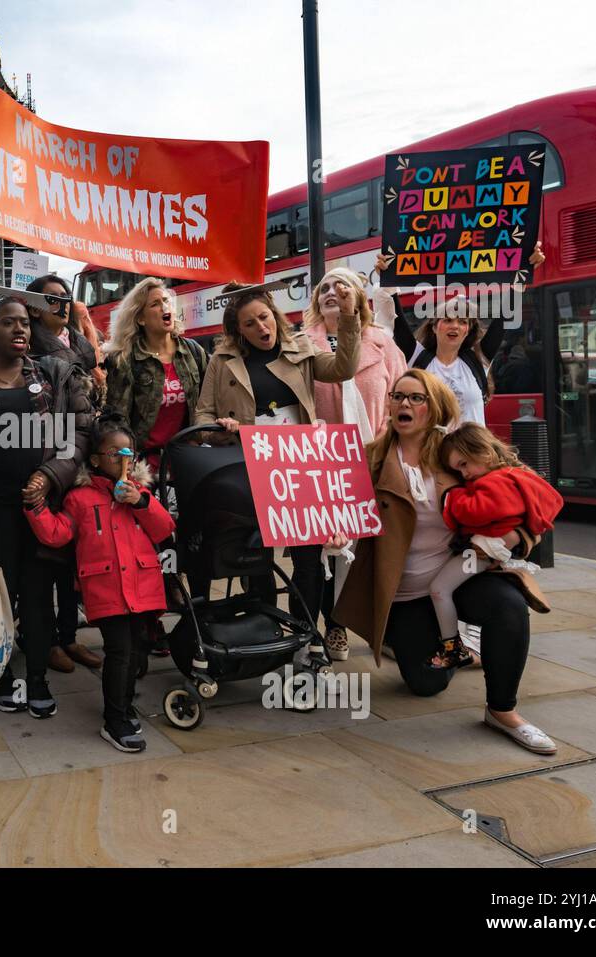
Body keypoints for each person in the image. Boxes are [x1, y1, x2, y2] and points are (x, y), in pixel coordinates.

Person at [334, 370, 556, 754]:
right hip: (405, 591)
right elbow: (341, 508)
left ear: (433, 406)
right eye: (397, 396)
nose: (404, 404)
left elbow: (523, 492)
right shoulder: (370, 457)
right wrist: (335, 530)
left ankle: (503, 711)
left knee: (509, 608)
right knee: (425, 684)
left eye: (416, 398)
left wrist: (518, 538)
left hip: (462, 572)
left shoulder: (456, 451)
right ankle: (456, 650)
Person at [0, 294, 93, 718]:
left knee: (39, 598)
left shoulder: (53, 375)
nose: (20, 329)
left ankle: (39, 679)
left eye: (25, 322)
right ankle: (4, 677)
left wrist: (50, 477)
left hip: (40, 511)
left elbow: (77, 437)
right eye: (8, 322)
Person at [195, 285, 360, 627]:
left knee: (308, 559)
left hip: (298, 463)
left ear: (275, 315)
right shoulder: (222, 361)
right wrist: (219, 429)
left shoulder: (301, 347)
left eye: (264, 317)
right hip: (247, 466)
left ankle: (306, 636)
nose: (261, 328)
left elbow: (344, 368)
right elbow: (202, 416)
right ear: (238, 329)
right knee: (256, 559)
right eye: (250, 323)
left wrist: (348, 316)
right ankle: (265, 630)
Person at [25, 415, 175, 752]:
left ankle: (124, 703)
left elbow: (164, 529)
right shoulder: (80, 498)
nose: (123, 460)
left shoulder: (140, 492)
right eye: (114, 454)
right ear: (95, 460)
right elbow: (58, 533)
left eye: (129, 454)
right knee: (119, 651)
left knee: (137, 650)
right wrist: (36, 508)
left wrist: (140, 502)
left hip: (142, 584)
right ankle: (115, 719)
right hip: (106, 588)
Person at [301, 268, 407, 660]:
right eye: (324, 288)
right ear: (316, 302)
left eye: (341, 287)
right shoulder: (301, 346)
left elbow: (401, 399)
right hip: (323, 463)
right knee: (329, 550)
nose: (332, 292)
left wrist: (385, 444)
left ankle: (384, 626)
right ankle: (334, 626)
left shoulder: (383, 344)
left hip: (375, 456)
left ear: (359, 301)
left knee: (375, 551)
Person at [427, 423, 563, 669]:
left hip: (483, 550)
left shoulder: (496, 482)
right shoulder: (516, 474)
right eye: (457, 469)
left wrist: (452, 495)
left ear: (485, 454)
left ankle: (452, 647)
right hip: (493, 549)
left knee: (439, 589)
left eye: (464, 465)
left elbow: (476, 512)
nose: (463, 474)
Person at [22, 274, 102, 673]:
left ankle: (69, 636)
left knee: (73, 557)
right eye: (52, 299)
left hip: (81, 462)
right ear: (35, 307)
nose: (63, 304)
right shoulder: (36, 351)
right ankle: (48, 638)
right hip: (52, 459)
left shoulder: (80, 345)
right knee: (46, 558)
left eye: (66, 297)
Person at [376, 242, 545, 425]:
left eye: (462, 322)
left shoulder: (478, 359)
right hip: (430, 453)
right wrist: (388, 276)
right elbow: (397, 319)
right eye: (447, 320)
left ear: (468, 331)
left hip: (472, 452)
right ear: (434, 327)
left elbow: (503, 318)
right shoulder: (417, 357)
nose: (454, 326)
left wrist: (524, 271)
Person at [103, 277, 208, 471]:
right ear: (141, 318)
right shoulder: (126, 360)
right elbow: (118, 421)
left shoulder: (193, 352)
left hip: (188, 461)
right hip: (146, 468)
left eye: (166, 301)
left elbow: (210, 401)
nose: (164, 307)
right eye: (155, 304)